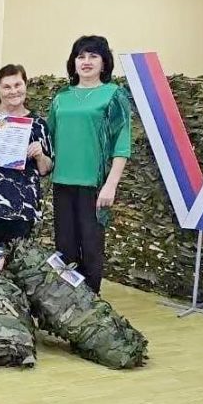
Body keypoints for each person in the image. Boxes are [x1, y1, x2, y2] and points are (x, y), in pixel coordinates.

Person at [48, 35, 132, 294]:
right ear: (73, 63)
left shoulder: (114, 95)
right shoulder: (61, 98)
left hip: (94, 186)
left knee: (92, 248)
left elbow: (121, 144)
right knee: (65, 249)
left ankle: (90, 304)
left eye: (93, 56)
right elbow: (48, 139)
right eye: (81, 56)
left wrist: (111, 185)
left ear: (104, 63)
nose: (86, 61)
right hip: (62, 183)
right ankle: (67, 304)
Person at [0, 64, 53, 247]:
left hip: (22, 208)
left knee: (15, 260)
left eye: (18, 85)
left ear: (25, 85)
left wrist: (40, 155)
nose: (13, 91)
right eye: (7, 87)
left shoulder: (38, 124)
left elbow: (46, 169)